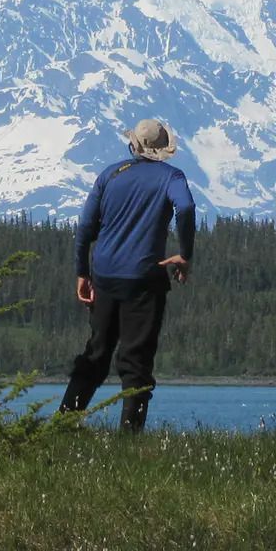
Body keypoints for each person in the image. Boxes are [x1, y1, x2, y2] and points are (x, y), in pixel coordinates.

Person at [57, 119, 196, 433]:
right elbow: (185, 208)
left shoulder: (110, 175)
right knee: (136, 360)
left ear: (133, 144)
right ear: (163, 149)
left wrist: (82, 272)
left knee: (96, 352)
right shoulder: (171, 177)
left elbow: (85, 229)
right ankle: (129, 434)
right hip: (145, 278)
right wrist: (185, 253)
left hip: (104, 274)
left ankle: (64, 422)